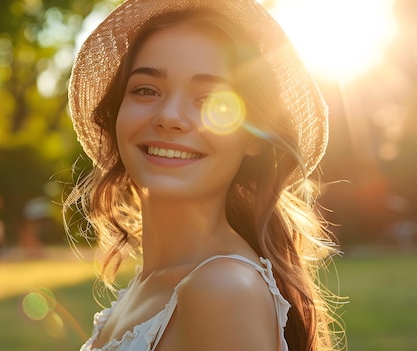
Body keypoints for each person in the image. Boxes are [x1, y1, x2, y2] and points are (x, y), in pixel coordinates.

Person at [63, 1, 344, 350]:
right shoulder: (149, 282)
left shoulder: (224, 289)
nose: (171, 116)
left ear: (254, 136)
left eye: (211, 100)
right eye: (146, 90)